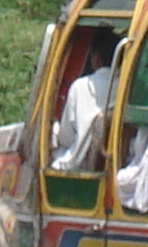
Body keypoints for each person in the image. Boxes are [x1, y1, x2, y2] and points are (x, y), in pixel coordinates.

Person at [46, 32, 118, 171]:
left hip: (78, 163)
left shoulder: (81, 86)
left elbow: (66, 137)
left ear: (96, 59)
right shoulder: (129, 86)